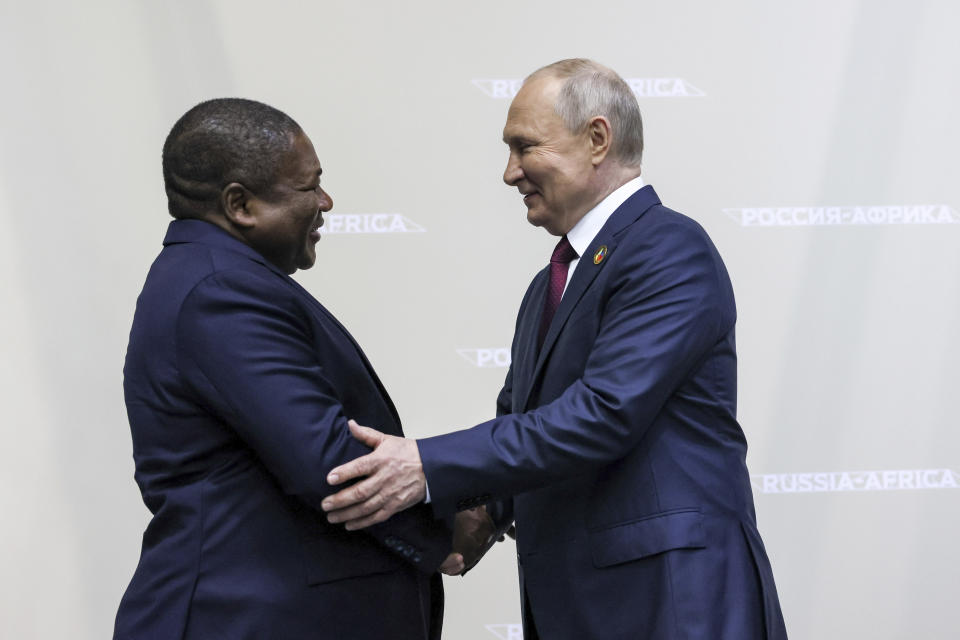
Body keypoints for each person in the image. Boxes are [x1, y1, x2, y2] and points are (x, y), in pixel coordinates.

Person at [321, 60, 788, 639]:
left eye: (525, 147)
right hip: (581, 604)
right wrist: (478, 514)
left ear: (597, 139)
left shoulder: (668, 249)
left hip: (670, 602)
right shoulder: (549, 284)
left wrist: (425, 465)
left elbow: (603, 414)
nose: (509, 172)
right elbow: (524, 422)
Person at [114, 98, 481, 640]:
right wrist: (452, 524)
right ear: (240, 204)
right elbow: (328, 465)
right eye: (309, 187)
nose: (327, 201)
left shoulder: (217, 277)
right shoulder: (221, 290)